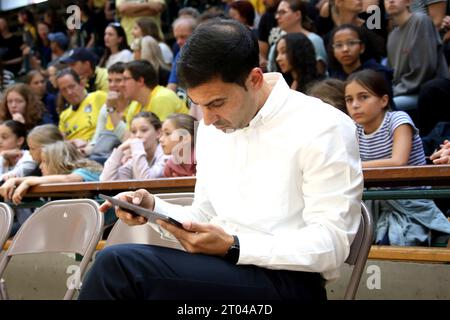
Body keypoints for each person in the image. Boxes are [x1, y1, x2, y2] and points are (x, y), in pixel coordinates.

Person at [79, 19, 363, 300]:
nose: (208, 119)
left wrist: (235, 246)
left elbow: (331, 245)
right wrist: (153, 207)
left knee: (119, 267)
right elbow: (204, 215)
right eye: (198, 105)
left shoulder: (323, 125)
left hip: (290, 283)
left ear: (254, 79)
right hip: (225, 270)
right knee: (121, 269)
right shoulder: (211, 127)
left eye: (216, 103)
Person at [345, 69, 450, 245]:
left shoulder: (398, 120)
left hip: (411, 201)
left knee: (396, 240)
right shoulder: (354, 129)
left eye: (363, 97)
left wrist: (355, 166)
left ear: (384, 100)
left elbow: (398, 162)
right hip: (377, 204)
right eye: (349, 99)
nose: (355, 104)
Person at [2, 141, 103, 205]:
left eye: (44, 161)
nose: (40, 166)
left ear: (58, 162)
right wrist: (14, 180)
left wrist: (28, 182)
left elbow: (68, 179)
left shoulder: (86, 171)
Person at [100, 111, 167, 181]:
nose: (138, 135)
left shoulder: (165, 156)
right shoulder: (134, 158)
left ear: (158, 133)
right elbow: (105, 181)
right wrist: (120, 149)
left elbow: (145, 182)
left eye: (144, 130)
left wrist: (137, 147)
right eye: (133, 131)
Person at [56, 68, 106, 150]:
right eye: (64, 90)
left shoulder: (98, 97)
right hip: (76, 153)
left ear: (81, 84)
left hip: (98, 149)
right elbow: (62, 143)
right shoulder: (64, 116)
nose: (69, 92)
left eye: (71, 86)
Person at [123, 60, 187, 124]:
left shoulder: (162, 98)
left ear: (140, 81)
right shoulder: (135, 104)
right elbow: (128, 133)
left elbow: (162, 133)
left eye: (125, 79)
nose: (122, 84)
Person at [159, 113, 197, 177]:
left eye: (167, 134)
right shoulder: (170, 167)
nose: (160, 139)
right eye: (162, 134)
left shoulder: (203, 159)